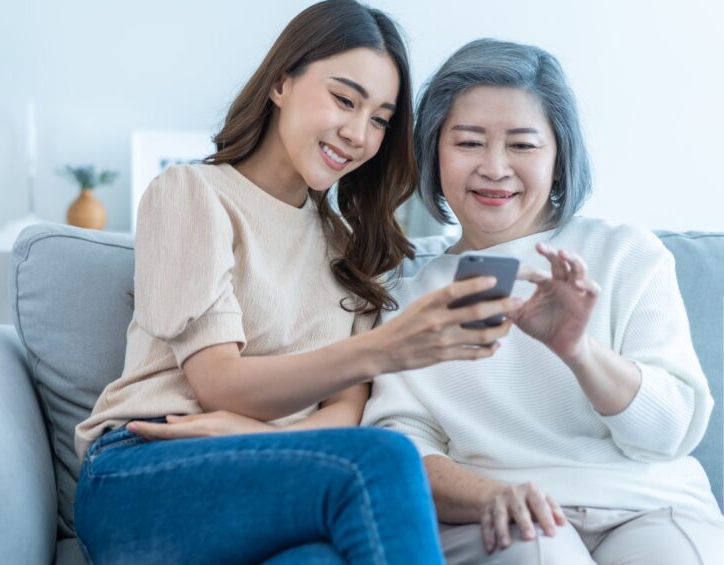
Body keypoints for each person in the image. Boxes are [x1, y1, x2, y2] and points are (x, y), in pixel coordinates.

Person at [72, 2, 524, 563]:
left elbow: (346, 409)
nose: (359, 134)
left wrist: (255, 436)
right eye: (344, 99)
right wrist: (383, 348)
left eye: (381, 119)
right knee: (386, 458)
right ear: (283, 81)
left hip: (282, 474)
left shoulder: (351, 249)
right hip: (146, 466)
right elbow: (217, 383)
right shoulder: (191, 193)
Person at [363, 38, 724, 565]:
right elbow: (401, 447)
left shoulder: (627, 254)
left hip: (653, 504)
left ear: (558, 157)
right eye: (467, 143)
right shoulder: (404, 292)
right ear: (432, 153)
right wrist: (491, 495)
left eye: (523, 145)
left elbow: (669, 433)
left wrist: (578, 350)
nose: (494, 167)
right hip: (502, 510)